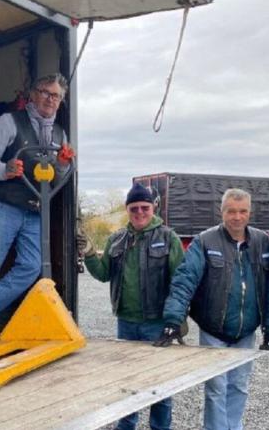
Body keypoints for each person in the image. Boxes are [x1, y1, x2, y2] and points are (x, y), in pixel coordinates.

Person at [155, 188, 269, 430]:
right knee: (215, 389)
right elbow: (185, 279)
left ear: (249, 212)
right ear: (221, 212)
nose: (237, 217)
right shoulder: (205, 241)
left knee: (239, 386)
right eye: (231, 211)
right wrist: (173, 319)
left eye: (243, 211)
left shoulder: (263, 242)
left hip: (246, 331)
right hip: (213, 330)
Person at [0, 73, 75, 342]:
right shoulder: (9, 122)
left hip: (36, 210)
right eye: (46, 93)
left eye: (56, 96)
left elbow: (56, 179)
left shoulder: (60, 134)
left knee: (31, 266)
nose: (51, 99)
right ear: (33, 94)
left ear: (61, 101)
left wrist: (62, 165)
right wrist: (4, 169)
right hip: (5, 204)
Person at [78, 182, 185, 430]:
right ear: (127, 209)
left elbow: (181, 283)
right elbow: (104, 274)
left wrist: (176, 319)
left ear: (153, 207)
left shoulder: (169, 238)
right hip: (125, 323)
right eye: (134, 207)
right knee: (126, 383)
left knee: (160, 384)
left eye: (144, 207)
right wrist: (90, 254)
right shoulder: (116, 239)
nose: (139, 212)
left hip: (157, 323)